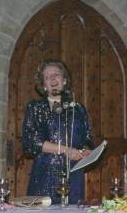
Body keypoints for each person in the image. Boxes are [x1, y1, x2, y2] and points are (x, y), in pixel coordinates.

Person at [22, 60, 94, 204]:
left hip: (74, 172)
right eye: (48, 77)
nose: (53, 79)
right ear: (44, 85)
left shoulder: (78, 109)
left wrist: (86, 151)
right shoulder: (36, 107)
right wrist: (65, 150)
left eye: (57, 75)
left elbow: (87, 138)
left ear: (64, 80)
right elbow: (31, 141)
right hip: (45, 173)